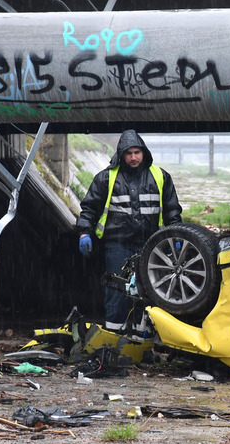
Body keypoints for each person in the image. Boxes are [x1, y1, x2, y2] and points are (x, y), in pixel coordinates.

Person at [76, 130, 183, 332]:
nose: (133, 157)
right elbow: (89, 208)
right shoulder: (106, 178)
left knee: (150, 290)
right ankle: (114, 337)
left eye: (137, 152)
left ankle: (144, 336)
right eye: (129, 153)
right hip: (117, 245)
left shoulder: (160, 177)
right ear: (121, 155)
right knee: (117, 290)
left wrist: (176, 234)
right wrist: (84, 233)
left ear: (144, 153)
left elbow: (172, 211)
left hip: (151, 246)